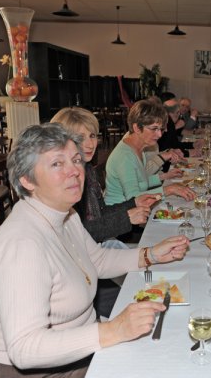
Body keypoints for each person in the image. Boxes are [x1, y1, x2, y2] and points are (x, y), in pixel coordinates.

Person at [0, 123, 190, 376]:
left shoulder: (64, 215)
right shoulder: (22, 246)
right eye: (57, 164)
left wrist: (151, 254)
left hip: (74, 352)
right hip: (40, 371)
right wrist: (114, 330)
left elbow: (97, 261)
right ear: (27, 179)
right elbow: (25, 349)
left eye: (76, 160)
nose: (74, 172)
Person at [51, 107, 160, 317]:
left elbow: (100, 213)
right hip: (77, 275)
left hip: (93, 259)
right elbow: (80, 234)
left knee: (150, 288)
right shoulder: (67, 181)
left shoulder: (88, 171)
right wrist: (127, 217)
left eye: (92, 135)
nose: (91, 143)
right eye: (80, 137)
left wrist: (132, 203)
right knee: (142, 300)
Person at [104, 99, 195, 205]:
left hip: (134, 213)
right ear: (137, 128)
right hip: (120, 216)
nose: (160, 135)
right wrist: (168, 190)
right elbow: (134, 198)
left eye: (160, 129)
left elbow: (141, 182)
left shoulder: (139, 148)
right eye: (154, 129)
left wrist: (165, 176)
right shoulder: (125, 156)